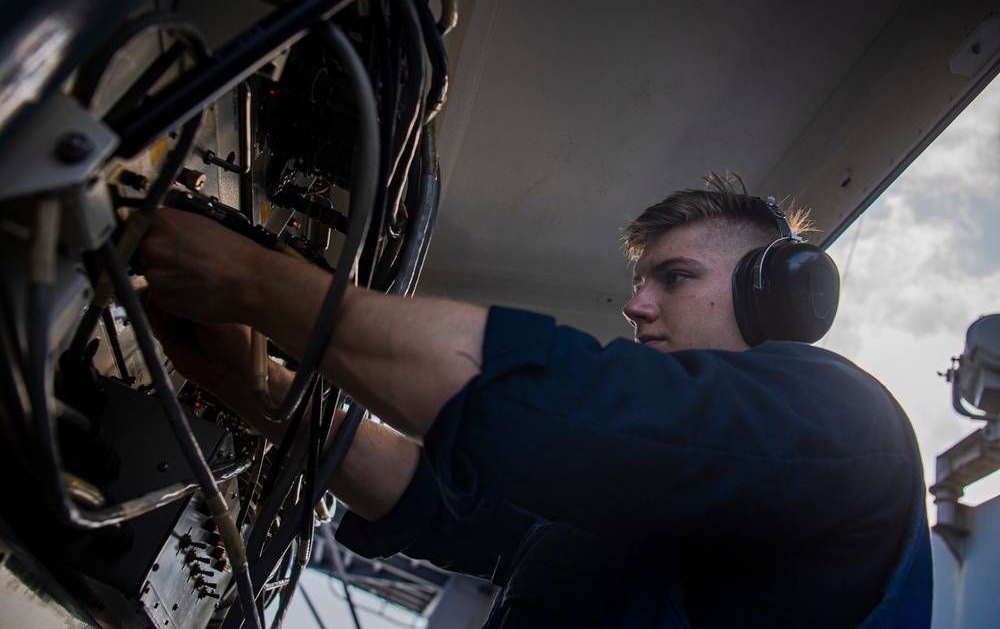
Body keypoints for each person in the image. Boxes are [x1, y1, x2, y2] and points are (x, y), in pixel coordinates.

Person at [138, 172, 932, 627]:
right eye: (636, 282)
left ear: (773, 300)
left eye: (675, 278)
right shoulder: (641, 500)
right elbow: (450, 505)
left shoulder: (843, 424)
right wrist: (262, 390)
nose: (636, 305)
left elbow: (566, 415)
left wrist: (254, 281)